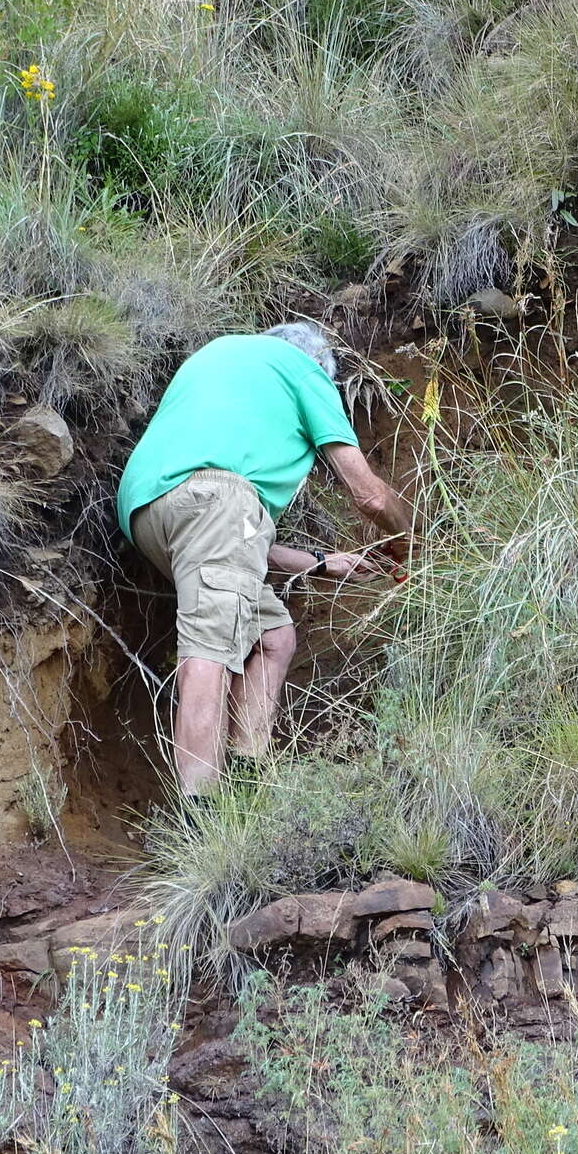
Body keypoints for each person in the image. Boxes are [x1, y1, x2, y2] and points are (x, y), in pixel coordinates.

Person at [116, 320, 411, 799]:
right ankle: (202, 816)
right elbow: (370, 496)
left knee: (272, 636)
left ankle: (248, 777)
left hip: (145, 514)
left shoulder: (215, 357)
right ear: (320, 365)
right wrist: (413, 537)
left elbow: (222, 537)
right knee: (208, 651)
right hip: (217, 502)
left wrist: (319, 561)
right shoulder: (305, 370)